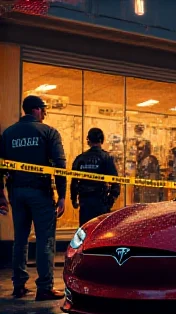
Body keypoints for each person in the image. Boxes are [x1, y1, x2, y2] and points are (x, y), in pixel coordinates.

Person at [0, 95, 66, 300]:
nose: (45, 113)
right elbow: (60, 165)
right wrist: (62, 195)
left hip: (16, 192)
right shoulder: (48, 132)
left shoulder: (8, 134)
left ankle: (19, 285)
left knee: (20, 239)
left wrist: (1, 194)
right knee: (45, 239)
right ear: (36, 110)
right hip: (40, 192)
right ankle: (44, 287)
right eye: (44, 109)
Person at [70, 128, 120, 227]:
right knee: (100, 234)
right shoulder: (106, 158)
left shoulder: (80, 158)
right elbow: (116, 182)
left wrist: (74, 199)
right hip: (101, 202)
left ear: (88, 140)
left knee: (85, 233)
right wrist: (109, 202)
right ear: (102, 140)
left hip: (85, 202)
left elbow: (74, 182)